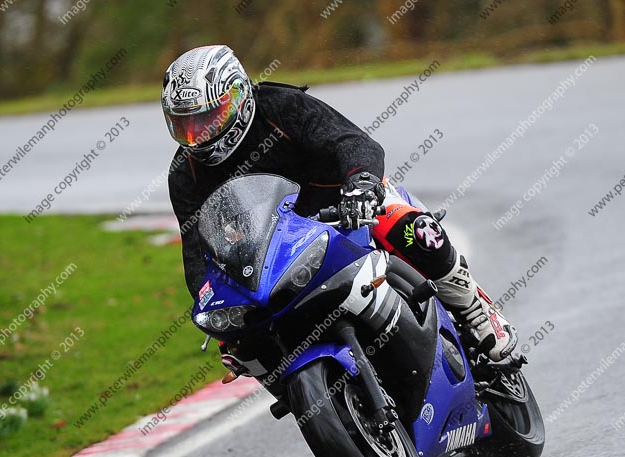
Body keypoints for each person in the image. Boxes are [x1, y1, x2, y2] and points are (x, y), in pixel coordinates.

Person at [163, 45, 517, 361]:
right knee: (253, 343)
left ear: (238, 96)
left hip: (347, 203)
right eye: (186, 125)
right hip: (280, 245)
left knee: (413, 230)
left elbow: (351, 141)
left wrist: (362, 184)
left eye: (208, 118)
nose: (198, 134)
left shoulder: (281, 106)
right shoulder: (184, 173)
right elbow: (198, 253)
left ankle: (475, 309)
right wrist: (218, 310)